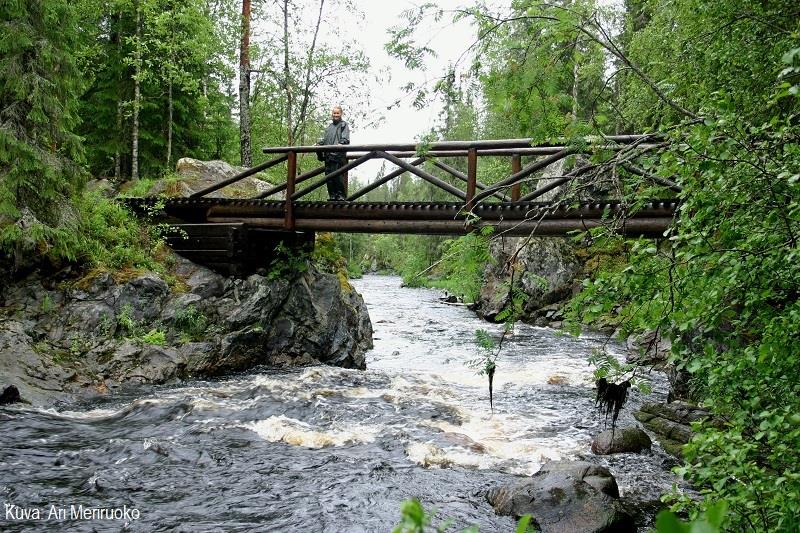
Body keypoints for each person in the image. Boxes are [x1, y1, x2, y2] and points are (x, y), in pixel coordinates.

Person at [318, 105, 350, 201]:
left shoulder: (344, 125)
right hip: (328, 155)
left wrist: (341, 143)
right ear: (332, 114)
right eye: (334, 113)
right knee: (329, 177)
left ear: (341, 114)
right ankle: (332, 195)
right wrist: (319, 144)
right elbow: (325, 139)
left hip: (338, 155)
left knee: (337, 176)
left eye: (337, 113)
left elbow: (345, 138)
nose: (335, 115)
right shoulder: (329, 127)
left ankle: (340, 196)